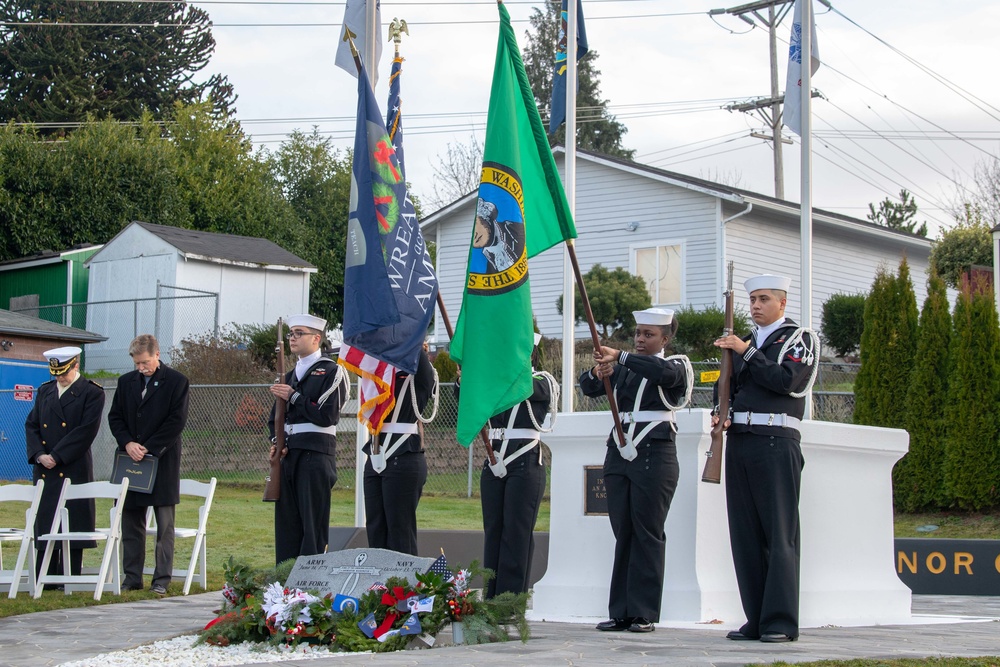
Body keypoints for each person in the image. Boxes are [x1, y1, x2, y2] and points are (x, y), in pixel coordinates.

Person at [712, 274, 820, 644]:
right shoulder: (743, 342)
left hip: (776, 440)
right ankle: (756, 618)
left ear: (782, 303)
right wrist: (719, 411)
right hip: (741, 439)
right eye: (753, 299)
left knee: (779, 533)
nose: (756, 305)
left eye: (763, 299)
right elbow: (726, 385)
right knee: (745, 535)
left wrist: (746, 352)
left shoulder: (798, 338)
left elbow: (787, 381)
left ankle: (780, 621)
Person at [580, 307, 693, 633]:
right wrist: (598, 372)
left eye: (649, 334)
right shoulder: (624, 368)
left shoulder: (675, 364)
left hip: (654, 455)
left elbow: (664, 376)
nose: (641, 339)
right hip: (619, 453)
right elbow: (588, 388)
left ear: (665, 338)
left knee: (647, 533)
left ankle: (643, 612)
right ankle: (621, 611)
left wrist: (623, 357)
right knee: (624, 532)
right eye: (638, 333)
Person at [476, 333, 558, 599]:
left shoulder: (542, 380)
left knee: (516, 533)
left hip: (524, 460)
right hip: (495, 458)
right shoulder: (496, 381)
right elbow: (464, 393)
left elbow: (532, 390)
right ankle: (492, 596)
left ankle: (509, 600)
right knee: (494, 531)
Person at [107, 334, 190, 595]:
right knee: (131, 521)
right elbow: (115, 417)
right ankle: (132, 577)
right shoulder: (125, 382)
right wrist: (128, 443)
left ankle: (161, 579)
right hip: (130, 461)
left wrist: (150, 448)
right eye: (136, 364)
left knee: (164, 525)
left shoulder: (177, 382)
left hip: (162, 462)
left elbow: (176, 421)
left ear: (157, 354)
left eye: (145, 363)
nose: (141, 368)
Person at [268, 314, 348, 565]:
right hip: (289, 455)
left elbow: (326, 415)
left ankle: (312, 583)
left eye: (299, 333)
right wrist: (275, 442)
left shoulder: (332, 371)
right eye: (291, 333)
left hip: (315, 454)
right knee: (287, 526)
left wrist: (294, 397)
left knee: (312, 526)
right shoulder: (289, 374)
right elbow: (274, 419)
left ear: (316, 338)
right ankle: (285, 585)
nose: (293, 338)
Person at [25, 346, 105, 583]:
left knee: (72, 520)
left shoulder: (91, 393)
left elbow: (85, 431)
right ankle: (45, 576)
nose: (60, 377)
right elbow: (32, 425)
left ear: (76, 366)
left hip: (72, 465)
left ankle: (68, 576)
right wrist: (39, 454)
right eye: (56, 373)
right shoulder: (46, 391)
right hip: (44, 468)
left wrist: (57, 456)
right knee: (46, 519)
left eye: (64, 372)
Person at [363, 344, 438, 556]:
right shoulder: (380, 372)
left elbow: (424, 370)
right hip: (376, 450)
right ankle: (378, 588)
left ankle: (403, 588)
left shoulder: (418, 375)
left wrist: (411, 338)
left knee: (400, 531)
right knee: (376, 528)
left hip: (403, 453)